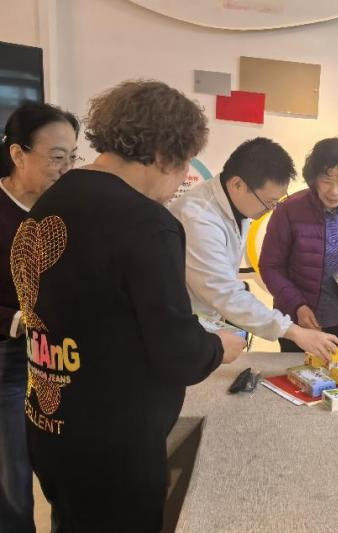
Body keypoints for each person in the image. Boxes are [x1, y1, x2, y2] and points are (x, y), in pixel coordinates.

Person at [11, 80, 245, 532]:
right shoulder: (146, 224)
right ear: (164, 154)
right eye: (183, 166)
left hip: (50, 420)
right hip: (113, 447)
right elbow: (177, 352)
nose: (180, 182)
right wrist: (220, 346)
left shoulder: (50, 200)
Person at [169, 137, 338, 358]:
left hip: (204, 317)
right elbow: (225, 293)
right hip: (180, 325)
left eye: (276, 202)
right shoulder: (199, 219)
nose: (270, 209)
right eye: (268, 202)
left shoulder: (234, 206)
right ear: (237, 184)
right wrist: (294, 332)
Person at [0, 101, 80, 533]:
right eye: (56, 157)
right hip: (9, 359)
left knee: (59, 461)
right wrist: (18, 320)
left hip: (57, 355)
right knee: (12, 472)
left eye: (72, 157)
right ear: (18, 154)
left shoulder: (63, 209)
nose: (66, 169)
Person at [259, 138, 338, 351]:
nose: (334, 191)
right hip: (300, 323)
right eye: (326, 180)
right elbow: (270, 267)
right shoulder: (289, 210)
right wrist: (298, 306)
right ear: (314, 178)